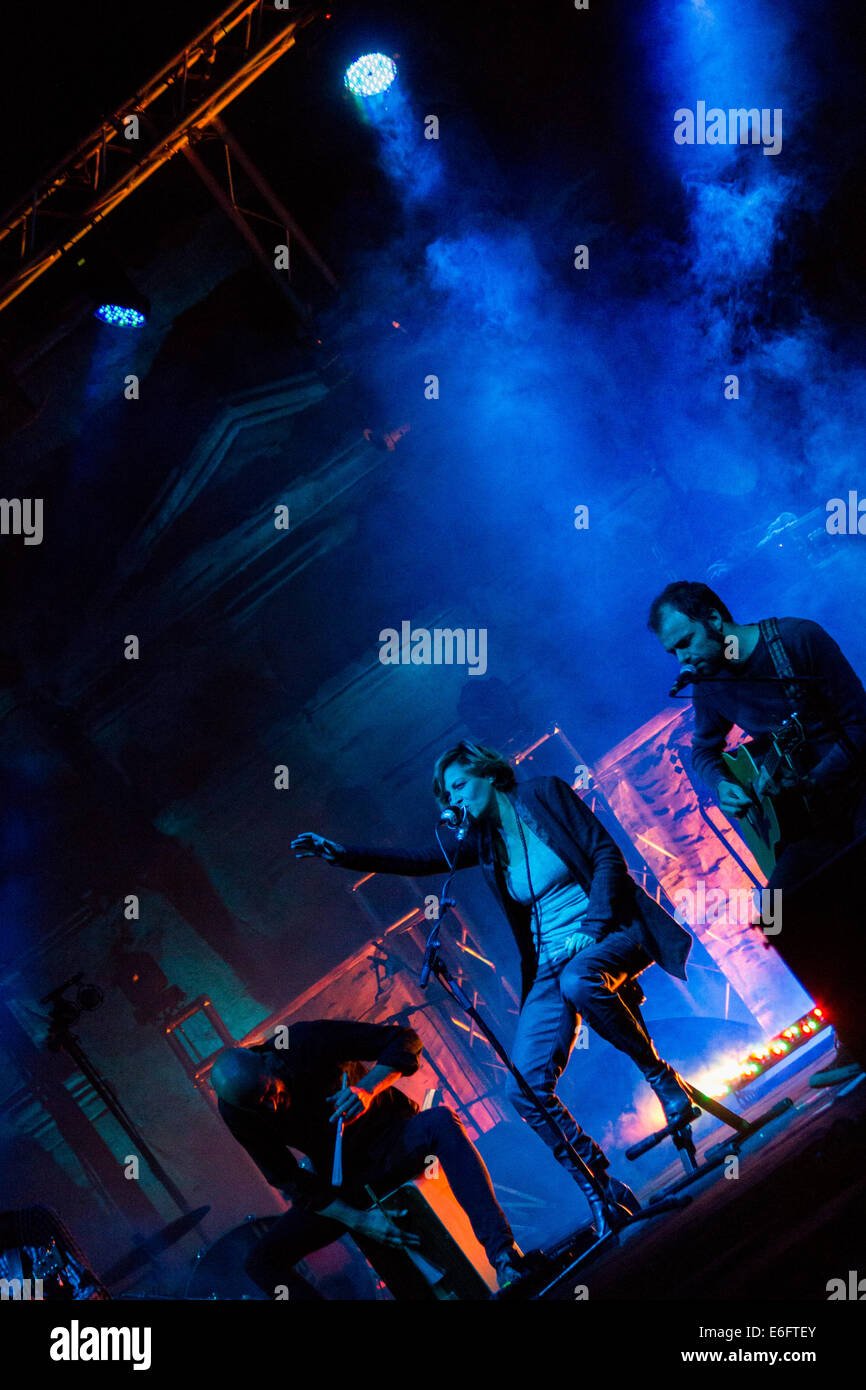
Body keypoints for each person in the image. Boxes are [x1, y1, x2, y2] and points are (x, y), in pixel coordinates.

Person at [293, 744, 695, 1235]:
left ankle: (662, 1079)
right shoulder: (485, 842)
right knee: (522, 1088)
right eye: (447, 793)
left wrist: (591, 926)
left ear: (488, 774)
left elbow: (606, 854)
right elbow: (421, 860)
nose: (454, 798)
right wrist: (345, 855)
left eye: (459, 785)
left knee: (580, 979)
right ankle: (599, 1184)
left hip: (610, 929)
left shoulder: (544, 794)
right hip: (553, 960)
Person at [648, 580, 866, 1087]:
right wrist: (722, 783)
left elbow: (860, 725)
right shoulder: (709, 684)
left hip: (856, 790)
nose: (682, 659)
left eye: (684, 642)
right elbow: (703, 749)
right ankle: (854, 1030)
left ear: (714, 620)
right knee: (777, 912)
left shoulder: (795, 641)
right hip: (811, 819)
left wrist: (814, 777)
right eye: (672, 650)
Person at [211, 1018, 524, 1299]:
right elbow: (287, 1177)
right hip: (345, 1184)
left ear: (269, 1060)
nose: (271, 1109)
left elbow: (404, 1041)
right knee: (261, 1263)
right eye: (258, 1106)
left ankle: (505, 1258)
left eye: (270, 1094)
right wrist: (360, 1220)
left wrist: (367, 1089)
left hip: (393, 1144)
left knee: (441, 1122)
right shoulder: (237, 1110)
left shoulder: (304, 1039)